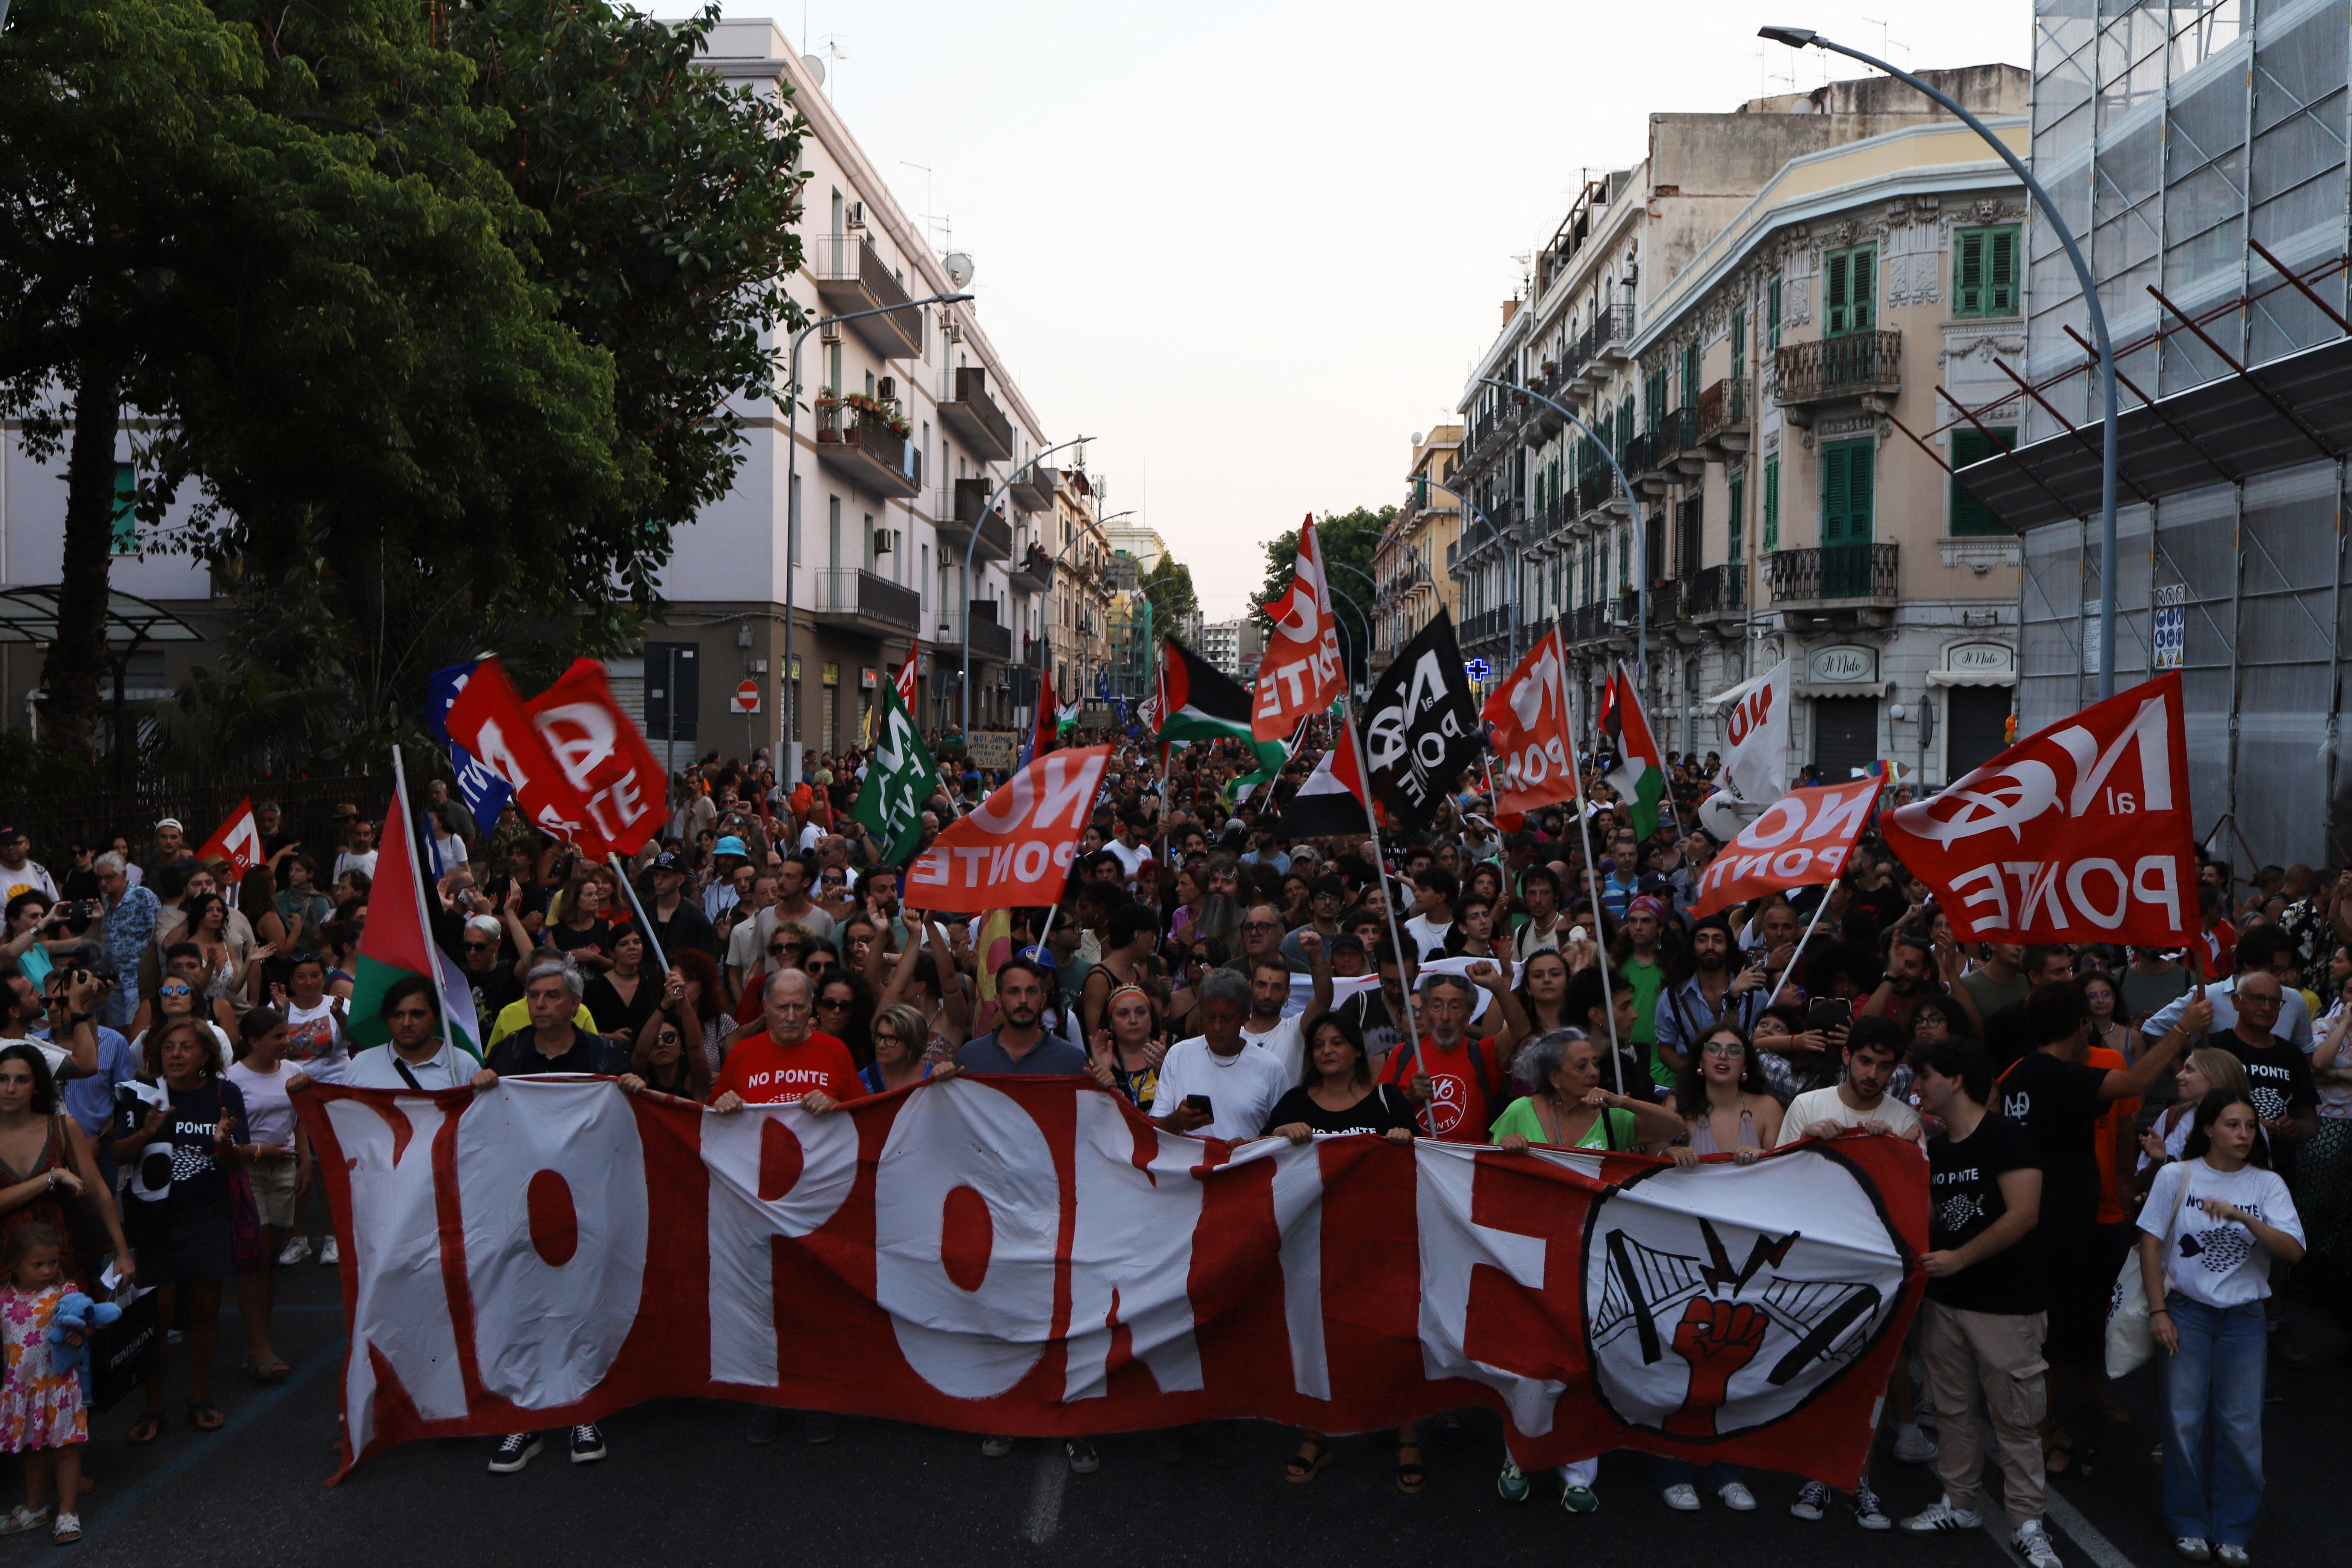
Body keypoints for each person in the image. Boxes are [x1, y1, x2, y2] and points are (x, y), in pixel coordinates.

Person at [1491, 1028, 1683, 1513]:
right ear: (1554, 1077)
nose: (1593, 1072)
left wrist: (1620, 1098)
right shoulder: (1519, 1111)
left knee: (1587, 1362)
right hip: (1532, 1255)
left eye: (1595, 1063)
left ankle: (1578, 1470)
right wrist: (1506, 1147)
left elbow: (1675, 1126)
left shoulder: (1612, 1114)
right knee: (1531, 1364)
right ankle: (1521, 1455)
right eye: (1580, 1066)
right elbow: (1487, 1171)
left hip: (1595, 1256)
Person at [1900, 1039, 2059, 1568]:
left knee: (2016, 1420)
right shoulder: (1938, 1148)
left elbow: (2023, 1215)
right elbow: (1926, 1220)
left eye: (1924, 1076)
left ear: (1956, 1080)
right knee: (1952, 1411)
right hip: (1946, 1303)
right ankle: (1960, 1503)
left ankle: (2029, 1524)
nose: (1917, 1086)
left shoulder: (2008, 1137)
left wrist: (1960, 1258)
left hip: (2007, 1306)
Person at [2139, 1092, 2305, 1566]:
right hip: (2186, 1311)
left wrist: (2241, 1215)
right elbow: (2150, 1244)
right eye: (2232, 1125)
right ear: (2208, 1128)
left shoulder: (2267, 1184)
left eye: (2251, 1126)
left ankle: (2232, 1529)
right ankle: (2188, 1523)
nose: (2243, 1134)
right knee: (2183, 1421)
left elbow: (2293, 1251)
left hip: (2244, 1320)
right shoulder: (2177, 1174)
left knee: (2240, 1426)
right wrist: (2159, 1312)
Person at [1265, 1011, 1417, 1491]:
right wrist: (1277, 1137)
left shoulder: (1388, 1100)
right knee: (1316, 1336)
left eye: (1337, 1042)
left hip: (1381, 1243)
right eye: (1319, 1044)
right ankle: (1317, 1433)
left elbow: (1426, 1164)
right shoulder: (1293, 1102)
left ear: (1356, 1050)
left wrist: (1405, 1139)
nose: (1327, 1050)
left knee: (1393, 1334)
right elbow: (1258, 1165)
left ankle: (1408, 1431)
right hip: (1314, 1243)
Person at [113, 1017, 246, 1445]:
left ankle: (197, 1396)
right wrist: (146, 1133)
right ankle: (154, 1404)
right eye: (168, 1046)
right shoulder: (141, 1094)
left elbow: (230, 1161)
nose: (175, 1054)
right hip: (157, 1221)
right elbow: (117, 1154)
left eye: (186, 1047)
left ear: (206, 1054)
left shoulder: (226, 1094)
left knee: (206, 1308)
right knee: (157, 1314)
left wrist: (225, 1144)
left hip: (208, 1214)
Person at [225, 1006, 302, 1383]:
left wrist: (303, 1162)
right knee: (253, 1259)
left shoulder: (293, 1072)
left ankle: (260, 1339)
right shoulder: (233, 1079)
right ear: (254, 1041)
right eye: (278, 1036)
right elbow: (224, 1142)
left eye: (286, 1035)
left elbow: (302, 1117)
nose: (286, 1042)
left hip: (284, 1168)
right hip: (248, 1170)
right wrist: (259, 1151)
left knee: (271, 1258)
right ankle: (260, 1348)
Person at [0, 1225, 89, 1544]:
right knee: (32, 1450)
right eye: (37, 1265)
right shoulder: (4, 1296)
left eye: (52, 1262)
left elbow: (85, 1320)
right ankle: (35, 1508)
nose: (47, 1270)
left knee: (65, 1450)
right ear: (14, 1264)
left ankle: (68, 1513)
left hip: (58, 1387)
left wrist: (80, 1334)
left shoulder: (64, 1292)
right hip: (22, 1391)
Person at [1378, 967, 1527, 1143]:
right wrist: (1407, 1099)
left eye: (1455, 1007)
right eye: (1437, 1007)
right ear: (1425, 1012)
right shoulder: (1402, 1054)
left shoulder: (1482, 1054)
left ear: (1470, 1013)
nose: (1445, 1017)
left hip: (1467, 1166)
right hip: (1413, 1163)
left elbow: (1521, 1029)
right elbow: (1375, 1114)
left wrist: (1498, 986)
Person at [1776, 1018, 1923, 1145]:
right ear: (1847, 1056)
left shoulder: (1907, 1121)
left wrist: (1893, 1144)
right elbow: (1781, 1173)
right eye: (1865, 1062)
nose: (1873, 1075)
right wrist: (1805, 1143)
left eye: (1884, 1067)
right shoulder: (1805, 1106)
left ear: (1894, 1068)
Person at [484, 963, 630, 1079]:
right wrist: (483, 1082)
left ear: (574, 1003)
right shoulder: (507, 1053)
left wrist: (631, 1085)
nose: (540, 1004)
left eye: (552, 996)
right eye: (534, 996)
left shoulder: (604, 1056)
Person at [340, 975, 482, 1090]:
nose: (407, 1023)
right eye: (398, 1015)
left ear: (436, 1017)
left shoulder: (464, 1066)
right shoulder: (361, 1066)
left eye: (417, 1015)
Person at [957, 959, 1089, 1076]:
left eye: (1031, 992)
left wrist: (1104, 1083)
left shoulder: (1072, 1061)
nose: (1024, 1000)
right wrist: (941, 1080)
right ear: (999, 1001)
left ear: (1043, 1000)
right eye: (1014, 992)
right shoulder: (970, 1057)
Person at [1083, 984, 1167, 1109]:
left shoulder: (1171, 1058)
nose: (1133, 1020)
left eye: (1141, 1012)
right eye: (1124, 1014)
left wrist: (1166, 1074)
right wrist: (1106, 1085)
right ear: (1111, 1023)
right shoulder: (1095, 1064)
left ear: (1151, 1020)